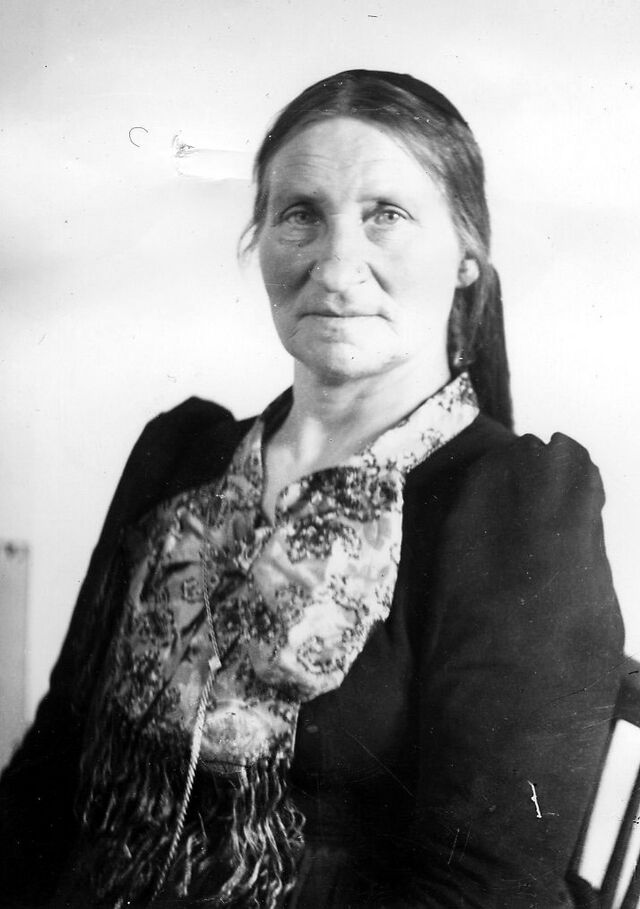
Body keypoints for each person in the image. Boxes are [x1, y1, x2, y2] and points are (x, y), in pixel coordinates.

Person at [0, 69, 624, 909]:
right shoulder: (179, 457)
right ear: (259, 240)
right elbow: (52, 763)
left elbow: (483, 888)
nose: (336, 266)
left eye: (386, 214)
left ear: (467, 258)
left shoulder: (514, 507)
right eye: (301, 214)